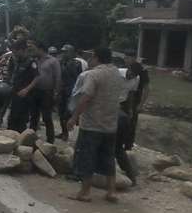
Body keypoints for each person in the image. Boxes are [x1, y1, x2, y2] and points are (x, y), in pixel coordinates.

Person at [67, 48, 125, 204]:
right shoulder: (117, 74)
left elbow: (86, 97)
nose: (90, 60)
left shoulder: (94, 74)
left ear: (96, 58)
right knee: (108, 158)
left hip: (92, 124)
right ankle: (111, 191)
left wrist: (73, 117)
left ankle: (85, 192)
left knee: (87, 157)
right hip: (111, 124)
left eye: (91, 57)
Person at [28, 41, 61, 144]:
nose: (33, 51)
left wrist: (56, 92)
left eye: (35, 49)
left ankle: (50, 141)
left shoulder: (53, 61)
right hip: (35, 91)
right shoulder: (34, 61)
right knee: (33, 117)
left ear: (41, 49)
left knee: (47, 117)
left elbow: (57, 77)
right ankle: (30, 139)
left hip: (47, 92)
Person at [4, 39, 39, 133]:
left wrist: (27, 90)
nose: (14, 53)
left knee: (21, 119)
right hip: (15, 92)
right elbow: (11, 73)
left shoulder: (31, 62)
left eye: (16, 51)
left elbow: (37, 78)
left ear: (22, 50)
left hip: (26, 95)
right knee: (12, 117)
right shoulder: (16, 60)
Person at [123, 50, 150, 150]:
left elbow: (146, 88)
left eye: (127, 58)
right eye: (125, 58)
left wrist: (141, 104)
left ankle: (128, 145)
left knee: (131, 122)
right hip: (124, 98)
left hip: (134, 99)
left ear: (134, 58)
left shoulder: (141, 69)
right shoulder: (126, 68)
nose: (125, 60)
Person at [58, 44, 83, 141]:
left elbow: (79, 78)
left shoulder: (77, 64)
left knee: (67, 113)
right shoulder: (60, 62)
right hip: (62, 90)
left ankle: (67, 132)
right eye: (63, 52)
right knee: (60, 113)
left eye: (66, 52)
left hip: (71, 92)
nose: (64, 54)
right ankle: (64, 132)